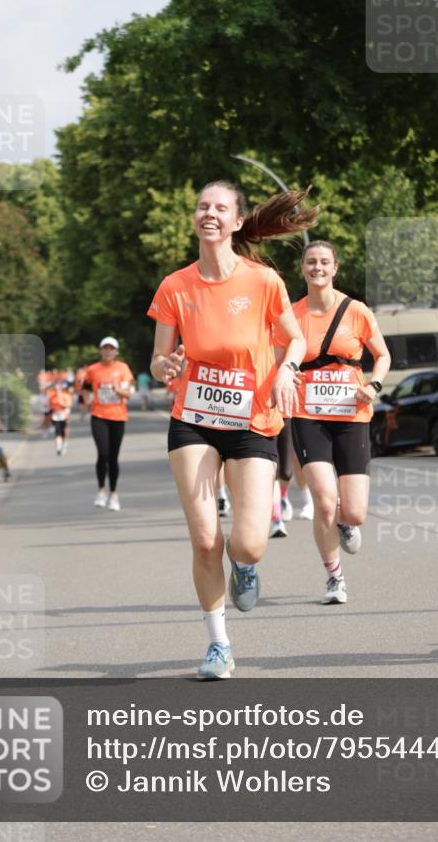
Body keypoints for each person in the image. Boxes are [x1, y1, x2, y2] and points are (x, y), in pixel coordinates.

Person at [148, 180, 317, 680]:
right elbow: (157, 360)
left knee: (249, 543)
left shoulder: (263, 281)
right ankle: (218, 644)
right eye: (202, 206)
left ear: (238, 221)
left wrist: (287, 368)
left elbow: (296, 341)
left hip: (252, 421)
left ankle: (245, 566)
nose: (210, 214)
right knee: (205, 541)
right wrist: (168, 367)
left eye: (221, 208)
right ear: (195, 217)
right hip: (193, 420)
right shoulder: (175, 287)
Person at [275, 241, 390, 605]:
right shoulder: (291, 315)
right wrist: (283, 378)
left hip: (352, 415)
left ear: (335, 268)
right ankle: (334, 577)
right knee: (324, 502)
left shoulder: (356, 311)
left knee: (353, 510)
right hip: (309, 416)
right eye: (311, 262)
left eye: (324, 262)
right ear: (302, 268)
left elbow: (382, 355)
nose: (317, 267)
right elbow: (278, 363)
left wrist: (373, 385)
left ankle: (345, 522)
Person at [81, 337, 134, 511]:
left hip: (118, 417)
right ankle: (100, 491)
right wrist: (87, 399)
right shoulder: (93, 369)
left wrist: (116, 389)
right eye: (105, 348)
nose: (108, 351)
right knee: (102, 453)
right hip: (99, 415)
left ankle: (114, 494)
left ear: (116, 352)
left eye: (112, 349)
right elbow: (85, 387)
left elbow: (128, 393)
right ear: (101, 351)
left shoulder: (123, 369)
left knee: (113, 457)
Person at [270, 419, 294, 538]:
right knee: (273, 473)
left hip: (287, 415)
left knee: (286, 473)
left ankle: (283, 496)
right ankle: (277, 520)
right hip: (266, 419)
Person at [48, 382, 73, 455]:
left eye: (58, 389)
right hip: (56, 417)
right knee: (57, 432)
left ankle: (65, 443)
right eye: (55, 389)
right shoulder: (52, 397)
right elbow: (50, 406)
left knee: (64, 432)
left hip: (64, 416)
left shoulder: (66, 395)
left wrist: (62, 403)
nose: (57, 391)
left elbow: (69, 404)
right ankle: (59, 448)